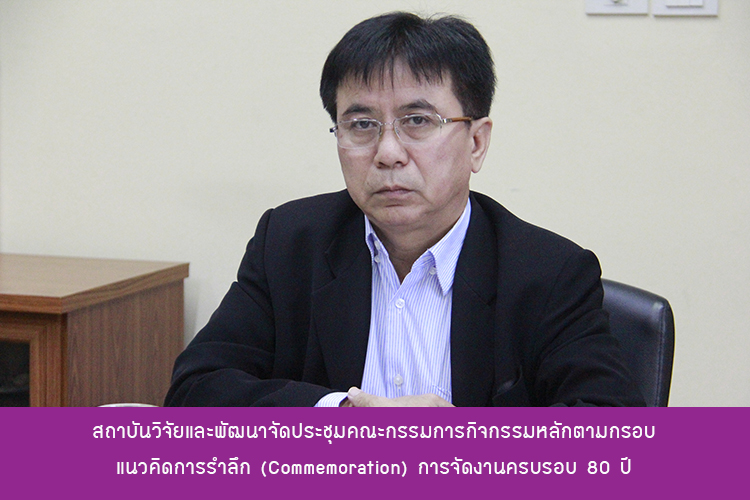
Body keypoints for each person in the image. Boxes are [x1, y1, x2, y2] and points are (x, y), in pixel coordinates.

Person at [165, 12, 644, 407]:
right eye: (361, 124)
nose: (388, 152)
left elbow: (617, 438)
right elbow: (195, 390)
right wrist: (341, 418)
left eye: (417, 120)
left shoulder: (549, 273)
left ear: (477, 143)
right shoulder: (289, 244)